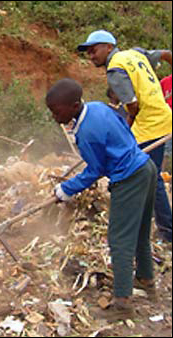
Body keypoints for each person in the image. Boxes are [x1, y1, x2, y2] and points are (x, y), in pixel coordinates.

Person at [47, 78, 157, 321]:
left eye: (56, 111)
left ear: (74, 105)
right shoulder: (97, 107)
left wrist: (64, 189)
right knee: (140, 232)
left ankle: (123, 303)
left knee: (119, 240)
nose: (54, 117)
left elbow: (94, 170)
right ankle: (147, 281)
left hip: (129, 179)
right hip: (146, 168)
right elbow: (124, 128)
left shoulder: (87, 132)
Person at [77, 30, 172, 243]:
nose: (91, 55)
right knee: (149, 176)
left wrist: (124, 132)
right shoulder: (135, 54)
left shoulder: (115, 69)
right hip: (162, 118)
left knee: (149, 178)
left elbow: (133, 106)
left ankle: (167, 232)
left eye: (94, 50)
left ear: (109, 47)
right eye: (88, 52)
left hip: (149, 127)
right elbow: (166, 54)